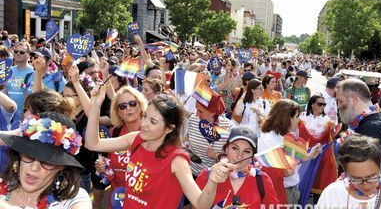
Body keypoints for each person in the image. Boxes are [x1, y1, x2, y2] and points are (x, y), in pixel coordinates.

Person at [85, 86, 234, 209]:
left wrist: (212, 181)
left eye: (153, 121)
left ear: (169, 129)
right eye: (145, 117)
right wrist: (96, 106)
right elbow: (92, 143)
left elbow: (201, 205)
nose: (144, 124)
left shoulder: (177, 160)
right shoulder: (136, 138)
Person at [0, 111, 91, 208]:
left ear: (61, 166)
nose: (34, 167)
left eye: (46, 162)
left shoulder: (74, 199)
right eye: (29, 156)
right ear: (20, 155)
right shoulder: (2, 186)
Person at [196, 125, 279, 208]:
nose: (239, 156)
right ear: (226, 148)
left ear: (252, 156)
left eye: (246, 151)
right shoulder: (207, 175)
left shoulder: (262, 180)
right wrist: (212, 182)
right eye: (235, 148)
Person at [258, 99, 322, 204]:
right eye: (297, 117)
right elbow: (285, 171)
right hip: (282, 193)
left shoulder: (280, 136)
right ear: (287, 118)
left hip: (289, 189)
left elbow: (290, 163)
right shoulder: (271, 140)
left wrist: (309, 156)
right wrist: (297, 154)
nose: (299, 120)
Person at [336, 78, 381, 183]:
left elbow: (378, 177)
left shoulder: (373, 128)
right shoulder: (370, 122)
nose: (338, 106)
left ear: (354, 99)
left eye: (340, 101)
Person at [317, 134, 381, 208]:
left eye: (371, 177)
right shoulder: (332, 194)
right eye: (356, 179)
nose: (366, 186)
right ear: (345, 171)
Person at [299, 95, 337, 201]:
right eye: (320, 104)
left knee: (319, 177)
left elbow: (330, 137)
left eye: (324, 104)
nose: (322, 106)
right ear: (312, 104)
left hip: (320, 154)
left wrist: (332, 129)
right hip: (305, 153)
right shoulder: (302, 117)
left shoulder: (327, 120)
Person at [5, 41, 34, 115]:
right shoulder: (8, 71)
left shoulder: (33, 72)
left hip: (25, 115)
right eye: (16, 51)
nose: (18, 53)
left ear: (28, 55)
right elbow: (5, 91)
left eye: (22, 52)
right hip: (8, 115)